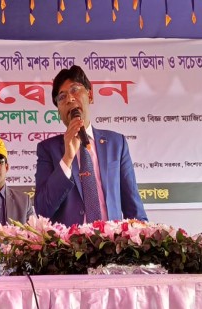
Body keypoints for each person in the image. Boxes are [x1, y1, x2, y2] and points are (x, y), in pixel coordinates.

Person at [34, 65, 147, 227]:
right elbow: (42, 210)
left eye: (75, 90)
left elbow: (134, 208)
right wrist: (67, 158)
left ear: (90, 95)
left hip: (112, 241)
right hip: (68, 242)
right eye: (62, 97)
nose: (69, 99)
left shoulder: (117, 144)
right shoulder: (47, 149)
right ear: (58, 110)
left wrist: (144, 236)